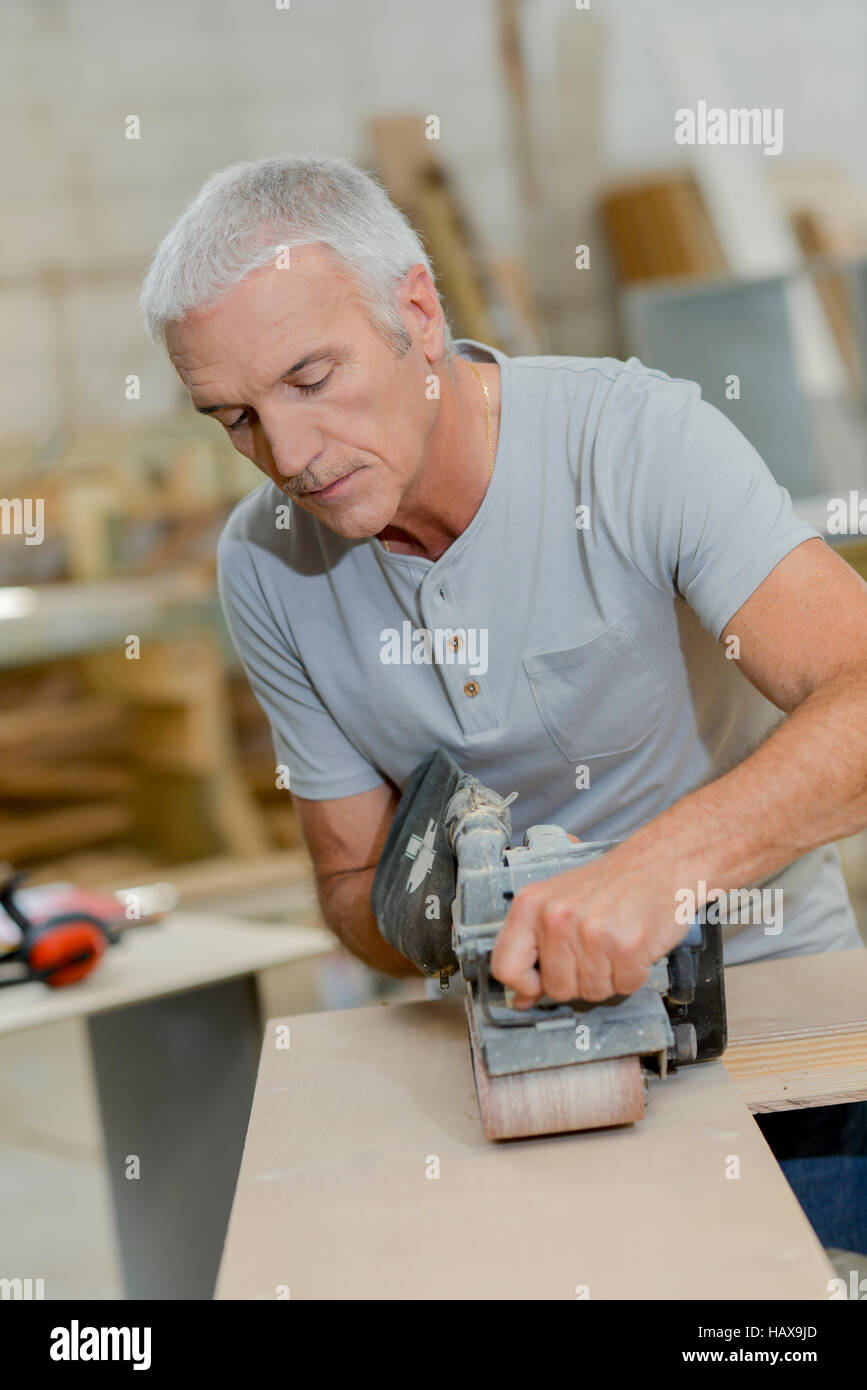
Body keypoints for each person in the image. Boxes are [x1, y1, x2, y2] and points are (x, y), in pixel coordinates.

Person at [140, 153, 867, 1253]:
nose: (285, 456)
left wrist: (654, 874)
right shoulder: (265, 567)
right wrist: (443, 913)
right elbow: (348, 881)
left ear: (418, 314)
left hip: (771, 1028)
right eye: (234, 417)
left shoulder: (633, 442)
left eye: (309, 378)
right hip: (513, 1060)